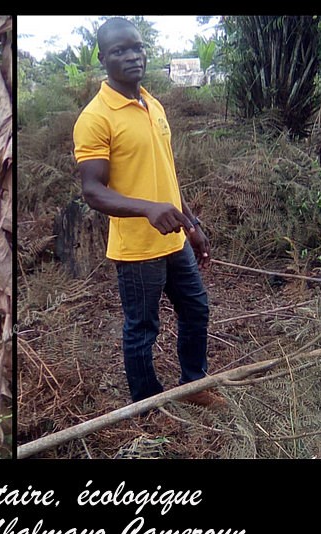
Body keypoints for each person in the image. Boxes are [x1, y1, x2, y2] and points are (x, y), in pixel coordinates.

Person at [73, 17, 226, 408]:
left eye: (137, 47)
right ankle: (147, 404)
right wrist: (147, 210)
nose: (132, 56)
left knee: (196, 308)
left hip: (174, 240)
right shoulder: (95, 117)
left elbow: (166, 175)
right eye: (120, 50)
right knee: (142, 329)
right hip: (137, 249)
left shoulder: (153, 104)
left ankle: (193, 384)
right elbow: (92, 191)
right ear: (102, 57)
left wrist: (191, 224)